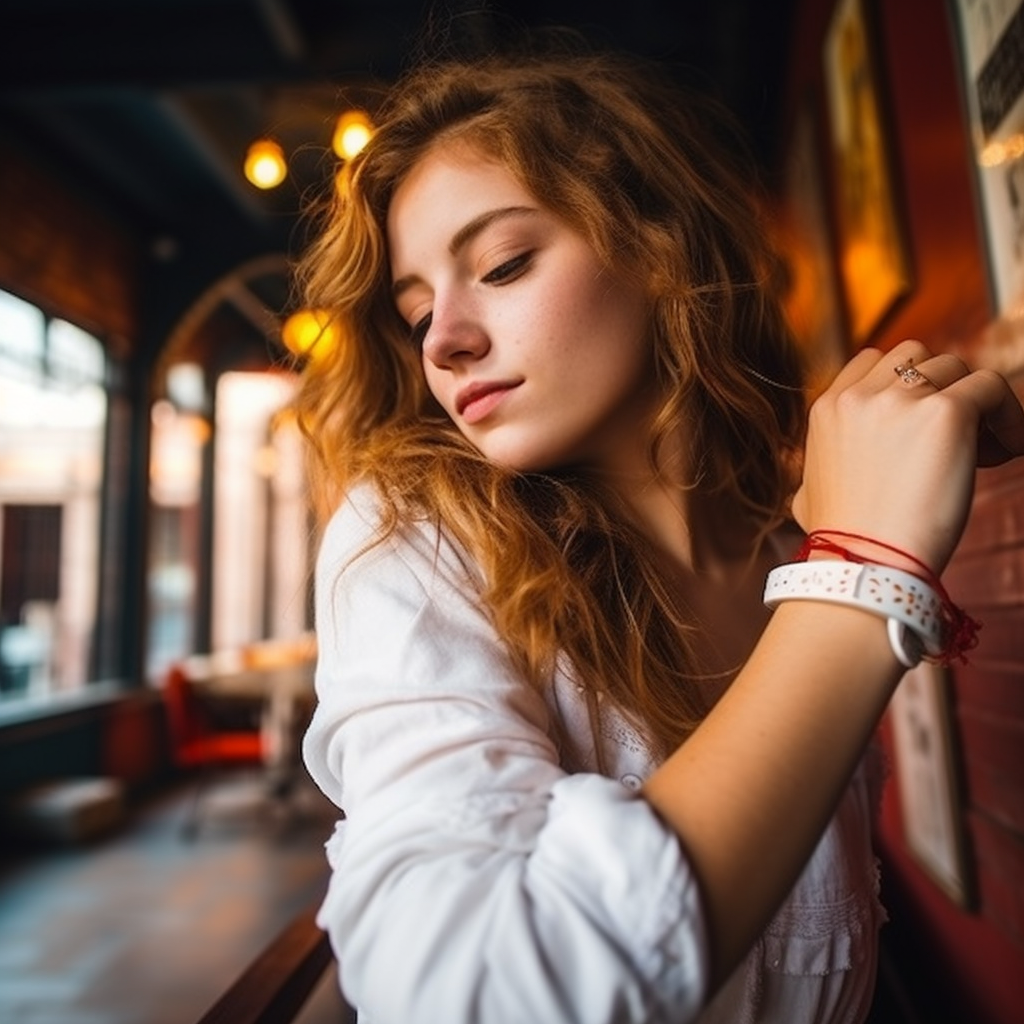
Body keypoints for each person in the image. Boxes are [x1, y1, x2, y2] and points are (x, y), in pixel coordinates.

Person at [292, 33, 1024, 1024]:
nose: (443, 341)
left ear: (660, 247)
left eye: (501, 264)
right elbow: (470, 991)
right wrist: (858, 577)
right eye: (414, 309)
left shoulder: (781, 553)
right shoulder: (414, 538)